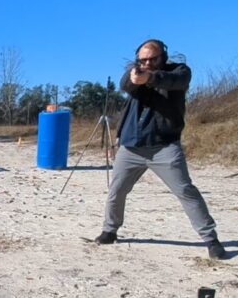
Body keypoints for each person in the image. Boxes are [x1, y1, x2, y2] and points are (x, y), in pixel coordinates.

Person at [95, 39, 227, 259]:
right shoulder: (134, 74)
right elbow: (125, 85)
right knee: (116, 192)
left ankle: (211, 239)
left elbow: (175, 81)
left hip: (164, 146)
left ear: (163, 56)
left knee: (185, 191)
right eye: (143, 60)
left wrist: (151, 78)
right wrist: (137, 78)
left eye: (152, 59)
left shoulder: (179, 71)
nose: (148, 63)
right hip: (131, 147)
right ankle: (110, 230)